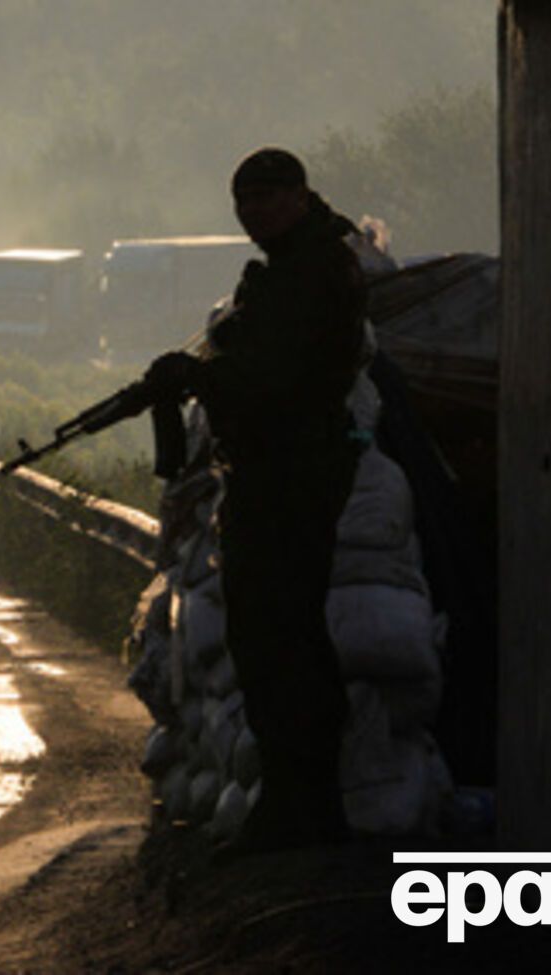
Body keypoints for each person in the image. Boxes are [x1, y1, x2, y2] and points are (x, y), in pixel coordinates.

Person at [147, 148, 367, 855]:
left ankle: (304, 810)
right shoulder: (293, 267)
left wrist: (203, 378)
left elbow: (274, 378)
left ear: (300, 197)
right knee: (271, 639)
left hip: (292, 471)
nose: (253, 215)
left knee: (282, 640)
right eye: (244, 203)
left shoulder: (312, 271)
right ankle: (294, 804)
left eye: (268, 200)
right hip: (280, 468)